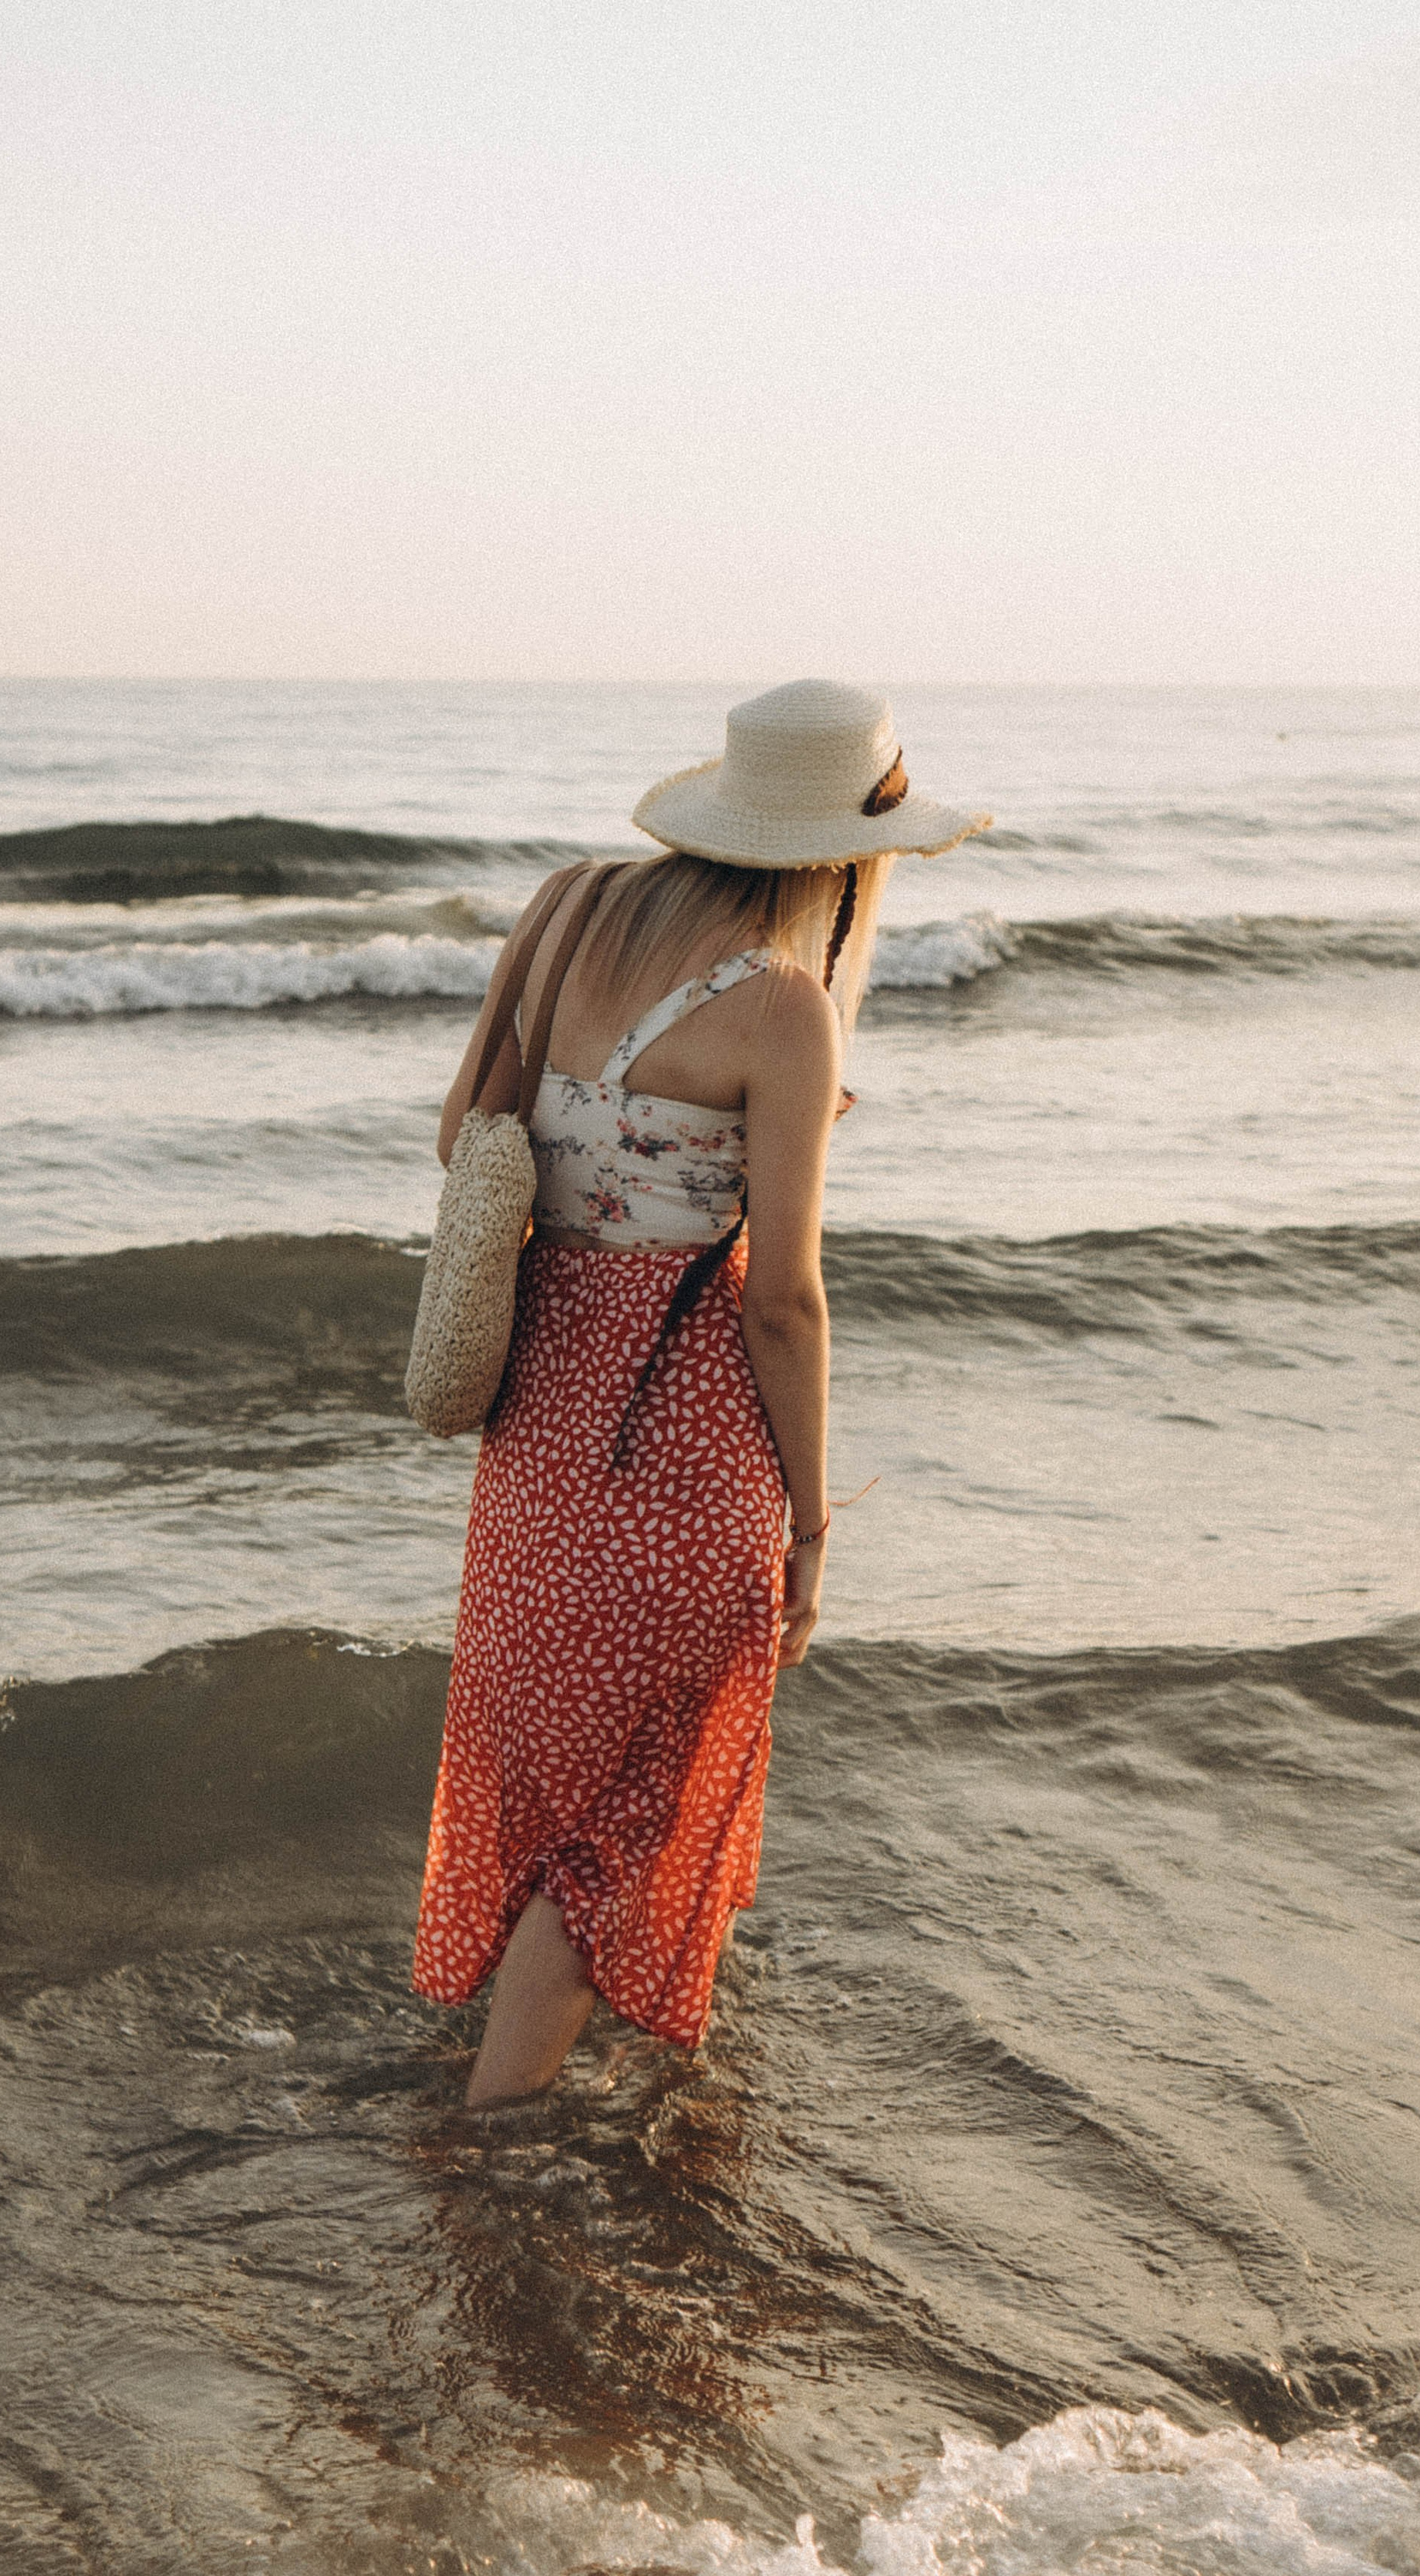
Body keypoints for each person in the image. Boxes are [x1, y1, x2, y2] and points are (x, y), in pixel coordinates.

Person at [411, 679, 990, 2106]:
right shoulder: (785, 1011)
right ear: (846, 853)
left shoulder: (567, 911)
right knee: (624, 1817)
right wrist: (811, 1523)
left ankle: (573, 2097)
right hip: (679, 1432)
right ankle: (487, 2148)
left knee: (558, 1781)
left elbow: (461, 1137)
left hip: (538, 1421)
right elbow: (785, 1300)